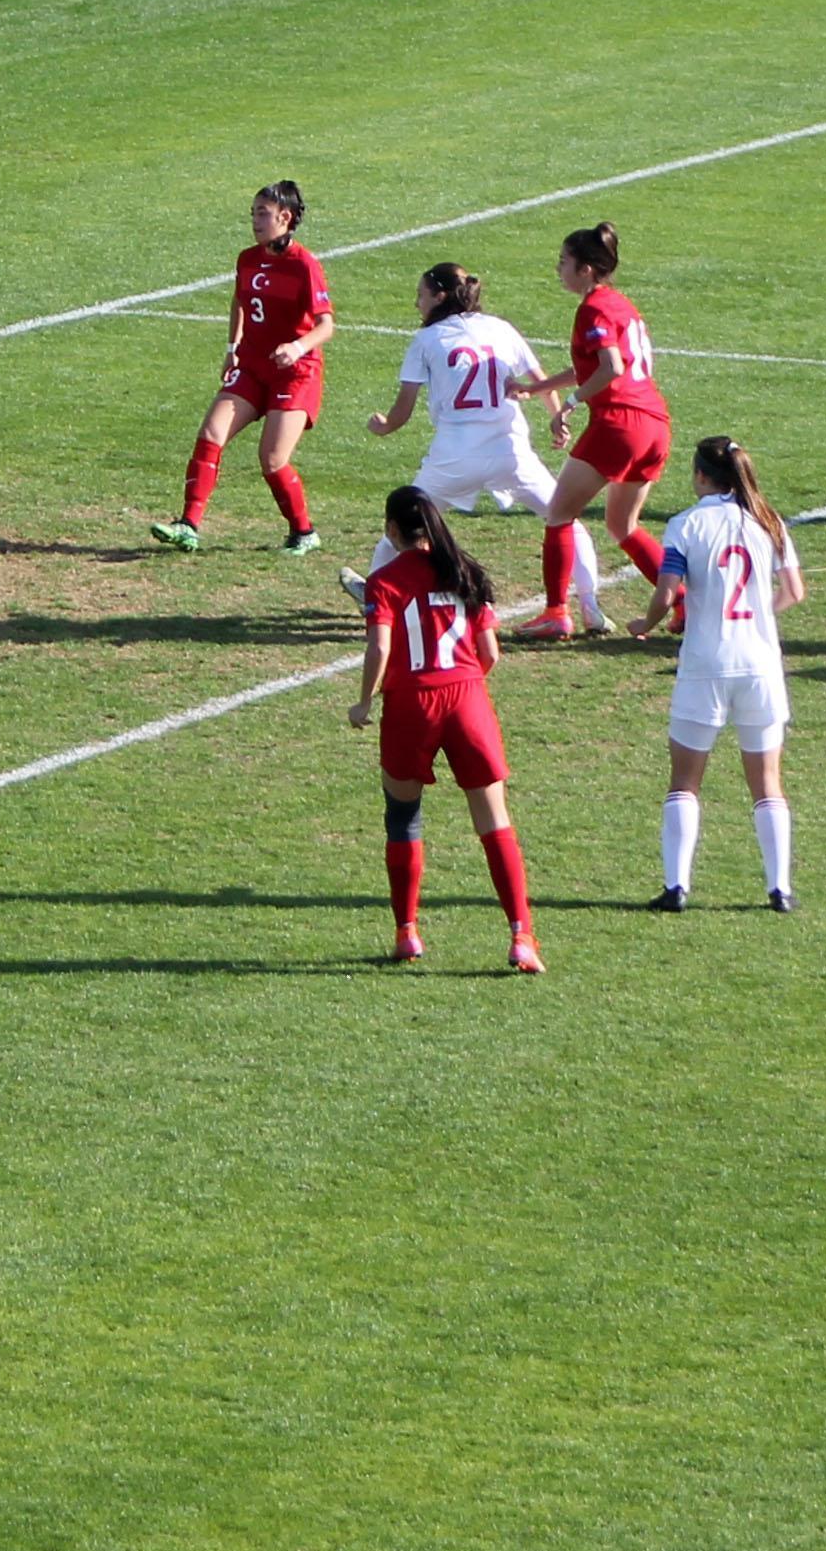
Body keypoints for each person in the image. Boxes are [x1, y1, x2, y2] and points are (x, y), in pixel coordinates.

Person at [350, 487, 542, 972]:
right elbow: (491, 652)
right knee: (494, 821)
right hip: (467, 697)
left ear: (394, 530)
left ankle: (407, 933)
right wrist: (467, 686)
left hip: (411, 703)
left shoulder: (384, 580)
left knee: (403, 816)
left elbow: (379, 650)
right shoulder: (466, 572)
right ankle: (522, 937)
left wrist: (363, 700)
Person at [353, 263, 603, 622]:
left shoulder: (426, 340)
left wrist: (383, 426)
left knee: (403, 523)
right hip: (510, 451)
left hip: (456, 455)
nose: (416, 303)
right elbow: (539, 378)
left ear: (440, 297)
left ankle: (374, 595)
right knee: (565, 519)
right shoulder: (500, 328)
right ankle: (590, 605)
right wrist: (555, 416)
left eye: (421, 295)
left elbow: (402, 411)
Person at [634, 435, 806, 913]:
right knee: (767, 782)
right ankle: (780, 890)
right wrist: (758, 615)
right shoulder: (769, 522)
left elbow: (667, 592)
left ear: (701, 476)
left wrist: (643, 624)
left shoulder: (685, 524)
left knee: (685, 780)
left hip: (705, 666)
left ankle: (676, 887)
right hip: (760, 666)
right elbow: (794, 591)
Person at [153, 182, 333, 555]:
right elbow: (239, 300)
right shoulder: (247, 258)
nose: (255, 220)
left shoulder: (304, 265)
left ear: (285, 217)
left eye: (262, 213)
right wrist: (232, 347)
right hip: (252, 366)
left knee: (271, 459)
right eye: (253, 212)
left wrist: (297, 347)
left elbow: (326, 325)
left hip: (296, 373)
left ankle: (303, 532)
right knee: (211, 433)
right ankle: (189, 525)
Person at [518, 222, 669, 641]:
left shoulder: (593, 309)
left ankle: (554, 612)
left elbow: (610, 369)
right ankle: (685, 601)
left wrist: (569, 404)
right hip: (654, 425)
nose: (558, 269)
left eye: (564, 262)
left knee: (559, 513)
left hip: (620, 424)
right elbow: (598, 367)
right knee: (623, 525)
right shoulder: (621, 304)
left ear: (586, 269)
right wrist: (539, 388)